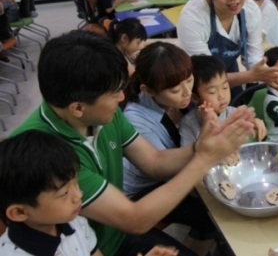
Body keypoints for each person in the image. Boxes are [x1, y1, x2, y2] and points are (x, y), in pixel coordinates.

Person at [11, 30, 255, 256]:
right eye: (115, 92)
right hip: (97, 244)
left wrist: (199, 147)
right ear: (77, 108)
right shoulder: (46, 154)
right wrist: (205, 158)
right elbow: (134, 219)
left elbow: (153, 161)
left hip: (113, 234)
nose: (122, 97)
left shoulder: (101, 111)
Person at [0, 130, 178, 256]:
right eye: (64, 194)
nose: (78, 195)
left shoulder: (76, 224)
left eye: (76, 183)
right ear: (19, 212)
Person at [122, 43, 226, 255]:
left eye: (189, 81)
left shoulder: (178, 94)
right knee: (212, 212)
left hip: (168, 173)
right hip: (142, 191)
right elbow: (160, 166)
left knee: (217, 208)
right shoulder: (135, 117)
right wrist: (203, 148)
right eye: (176, 90)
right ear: (148, 90)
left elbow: (213, 83)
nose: (188, 93)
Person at [179, 55, 267, 146]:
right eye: (212, 92)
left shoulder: (234, 113)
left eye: (225, 87)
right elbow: (189, 156)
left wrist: (255, 122)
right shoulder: (188, 123)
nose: (222, 96)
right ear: (195, 97)